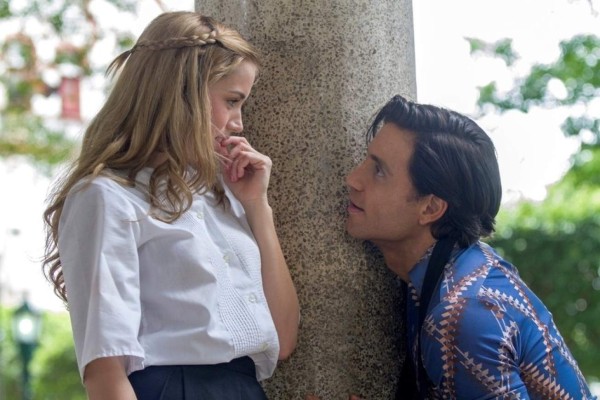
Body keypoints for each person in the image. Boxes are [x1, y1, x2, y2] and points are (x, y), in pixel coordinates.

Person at [42, 11, 299, 400]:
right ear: (183, 93)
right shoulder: (105, 197)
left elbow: (284, 339)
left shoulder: (221, 194)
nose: (239, 123)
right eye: (232, 101)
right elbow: (105, 372)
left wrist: (257, 208)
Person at [340, 95, 594, 399]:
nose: (352, 179)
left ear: (430, 208)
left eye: (379, 171)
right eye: (366, 160)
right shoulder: (455, 271)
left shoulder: (461, 313)